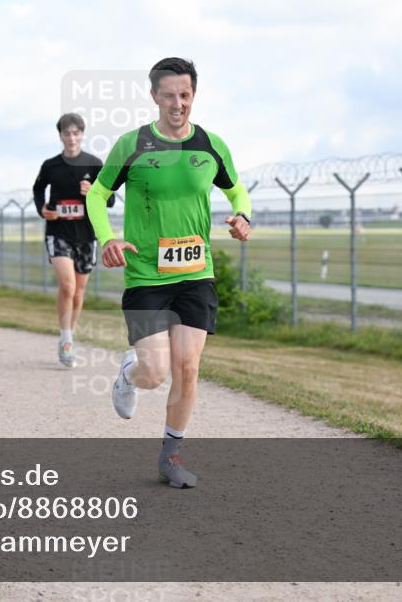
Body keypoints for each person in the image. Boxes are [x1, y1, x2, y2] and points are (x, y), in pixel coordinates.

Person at [86, 58, 252, 489]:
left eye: (185, 95)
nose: (178, 104)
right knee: (155, 371)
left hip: (196, 273)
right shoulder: (133, 145)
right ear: (154, 96)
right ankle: (129, 374)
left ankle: (170, 456)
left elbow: (236, 188)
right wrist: (107, 239)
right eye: (169, 95)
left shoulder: (210, 144)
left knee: (188, 368)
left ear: (193, 95)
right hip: (145, 276)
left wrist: (242, 216)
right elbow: (99, 194)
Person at [32, 112, 113, 367]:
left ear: (82, 134)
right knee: (67, 286)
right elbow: (38, 189)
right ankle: (65, 339)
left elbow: (109, 199)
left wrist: (94, 193)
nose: (71, 137)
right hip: (58, 232)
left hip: (86, 235)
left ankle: (71, 334)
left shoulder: (93, 164)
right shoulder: (50, 165)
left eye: (75, 132)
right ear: (60, 136)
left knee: (78, 292)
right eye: (66, 133)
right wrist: (42, 208)